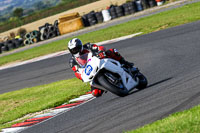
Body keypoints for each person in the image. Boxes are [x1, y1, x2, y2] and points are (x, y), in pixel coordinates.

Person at [68, 38, 133, 97]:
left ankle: (125, 63)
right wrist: (81, 77)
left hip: (99, 61)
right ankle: (107, 85)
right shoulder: (72, 61)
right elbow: (77, 72)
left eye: (76, 49)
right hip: (91, 71)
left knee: (112, 51)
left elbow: (99, 48)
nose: (75, 51)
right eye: (73, 50)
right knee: (95, 93)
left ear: (80, 46)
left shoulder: (88, 46)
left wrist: (100, 52)